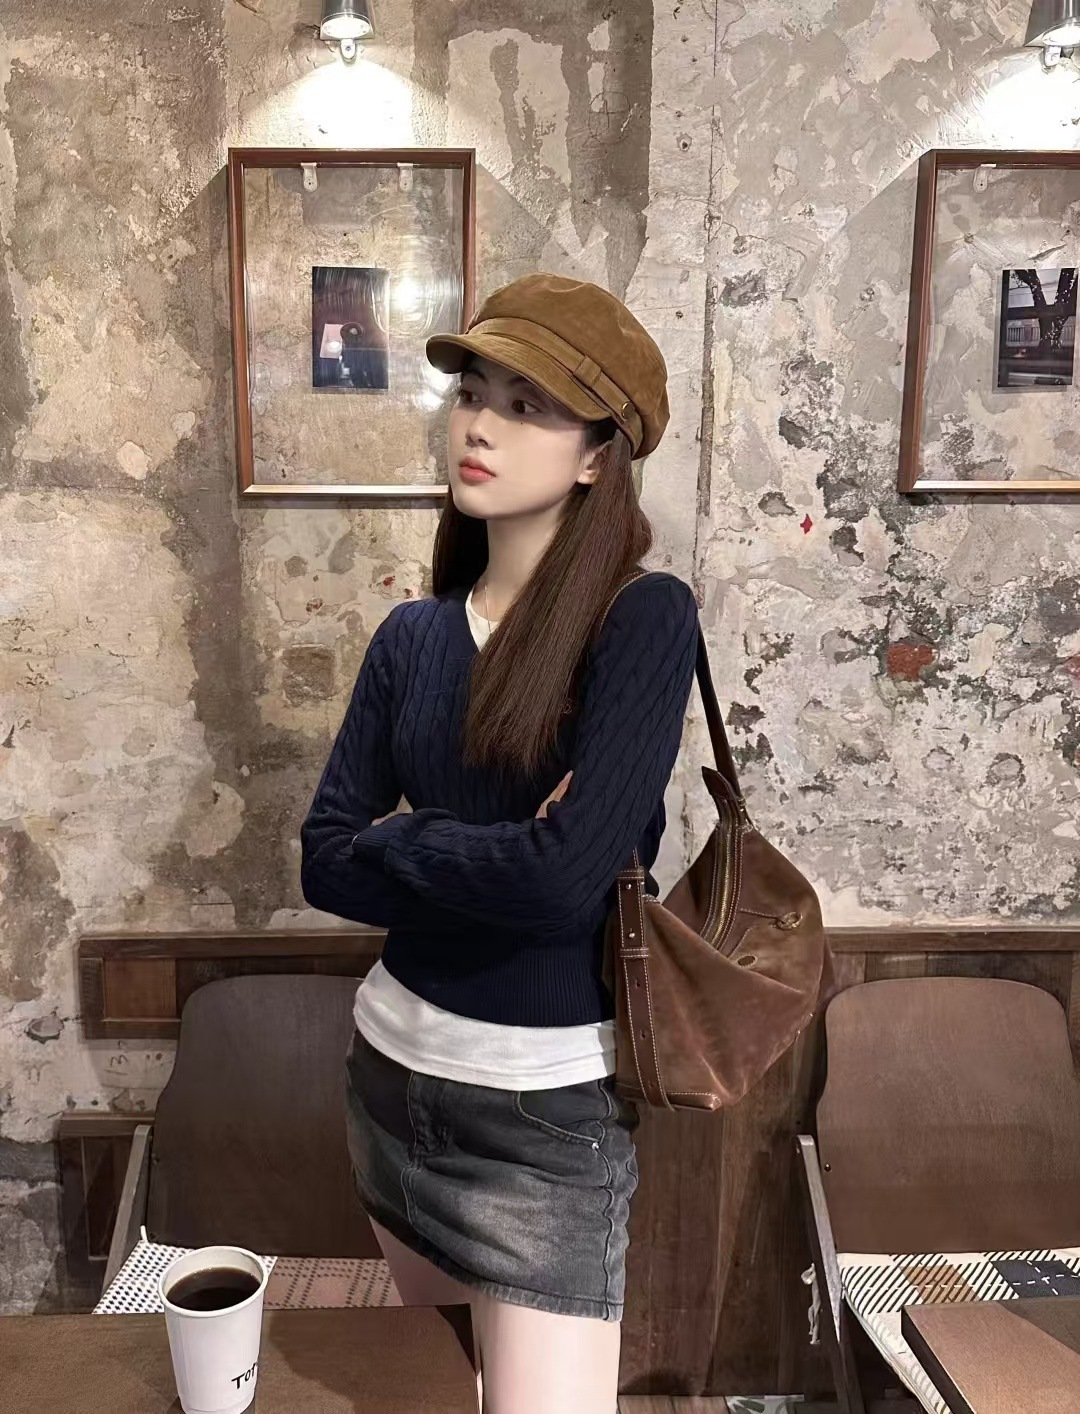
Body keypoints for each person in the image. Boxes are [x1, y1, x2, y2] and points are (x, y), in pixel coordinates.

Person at [300, 272, 700, 1414]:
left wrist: (405, 841)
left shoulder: (641, 619)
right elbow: (322, 859)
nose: (480, 424)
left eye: (528, 407)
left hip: (540, 1119)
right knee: (439, 1395)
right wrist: (490, 847)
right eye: (474, 392)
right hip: (388, 1081)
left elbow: (566, 885)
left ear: (597, 456)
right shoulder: (412, 637)